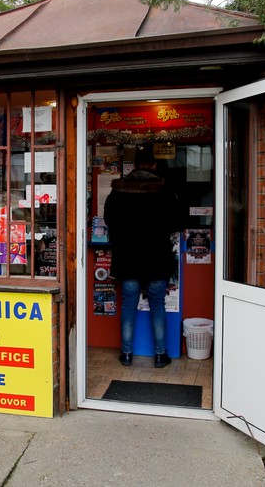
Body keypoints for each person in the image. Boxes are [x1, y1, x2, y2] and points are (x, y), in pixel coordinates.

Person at [104, 144, 183, 368]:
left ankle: (127, 355)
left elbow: (109, 219)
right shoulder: (165, 190)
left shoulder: (119, 189)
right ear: (154, 165)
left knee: (129, 304)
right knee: (157, 304)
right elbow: (177, 221)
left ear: (135, 165)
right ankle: (160, 355)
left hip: (128, 256)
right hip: (157, 256)